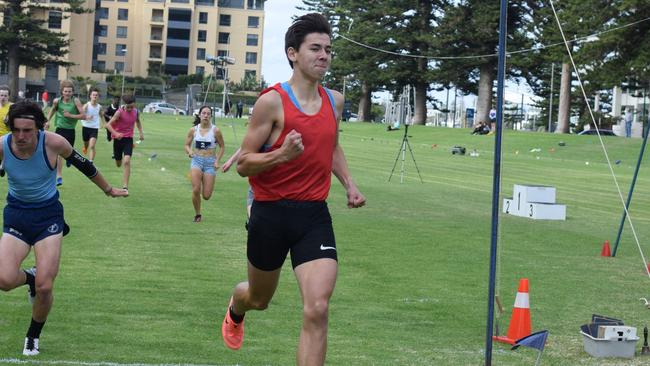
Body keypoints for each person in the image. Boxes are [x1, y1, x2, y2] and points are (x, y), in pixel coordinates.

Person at [220, 13, 366, 366]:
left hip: (313, 215)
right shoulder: (271, 102)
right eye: (315, 48)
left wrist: (349, 184)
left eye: (328, 50)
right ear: (292, 54)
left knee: (317, 308)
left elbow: (330, 146)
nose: (324, 56)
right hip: (270, 213)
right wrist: (282, 155)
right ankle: (237, 307)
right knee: (259, 298)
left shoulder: (335, 101)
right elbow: (244, 164)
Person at [0, 100, 127, 356]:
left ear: (39, 127)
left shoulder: (54, 143)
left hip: (48, 217)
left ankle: (32, 336)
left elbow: (85, 166)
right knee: (3, 280)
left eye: (28, 130)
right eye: (17, 130)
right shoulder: (3, 147)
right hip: (16, 216)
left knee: (46, 287)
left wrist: (108, 189)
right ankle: (31, 277)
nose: (22, 136)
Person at [183, 105, 225, 222]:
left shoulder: (215, 130)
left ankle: (205, 182)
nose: (206, 115)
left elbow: (222, 147)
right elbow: (186, 145)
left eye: (208, 113)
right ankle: (197, 214)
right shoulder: (193, 130)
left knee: (206, 196)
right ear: (200, 115)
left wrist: (217, 161)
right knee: (196, 189)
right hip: (197, 160)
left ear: (211, 116)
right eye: (204, 113)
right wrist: (190, 151)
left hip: (210, 163)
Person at [45, 80, 87, 186]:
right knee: (59, 153)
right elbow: (53, 110)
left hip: (70, 130)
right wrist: (48, 121)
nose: (67, 93)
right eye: (65, 91)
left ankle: (70, 157)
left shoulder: (76, 101)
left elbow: (84, 116)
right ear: (62, 92)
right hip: (59, 129)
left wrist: (70, 116)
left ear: (72, 92)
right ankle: (59, 176)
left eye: (69, 91)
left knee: (68, 152)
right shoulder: (57, 101)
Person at [105, 94, 144, 193]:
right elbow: (108, 125)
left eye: (132, 106)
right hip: (118, 140)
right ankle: (118, 159)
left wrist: (140, 133)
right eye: (128, 107)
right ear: (124, 104)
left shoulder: (136, 112)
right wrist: (115, 133)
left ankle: (125, 186)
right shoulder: (119, 112)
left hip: (128, 140)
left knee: (126, 161)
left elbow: (138, 122)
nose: (130, 109)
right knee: (119, 163)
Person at [81, 88, 103, 161]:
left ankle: (91, 162)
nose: (95, 96)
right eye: (93, 95)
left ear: (98, 97)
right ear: (90, 96)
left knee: (92, 146)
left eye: (96, 95)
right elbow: (81, 115)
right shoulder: (86, 105)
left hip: (94, 128)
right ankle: (85, 147)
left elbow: (101, 115)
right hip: (86, 127)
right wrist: (87, 117)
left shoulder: (99, 107)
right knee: (86, 144)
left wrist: (104, 124)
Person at [0, 85, 12, 177]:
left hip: (7, 136)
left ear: (8, 96)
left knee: (5, 152)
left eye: (5, 95)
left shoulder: (12, 107)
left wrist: (8, 121)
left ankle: (2, 167)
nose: (3, 97)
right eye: (1, 95)